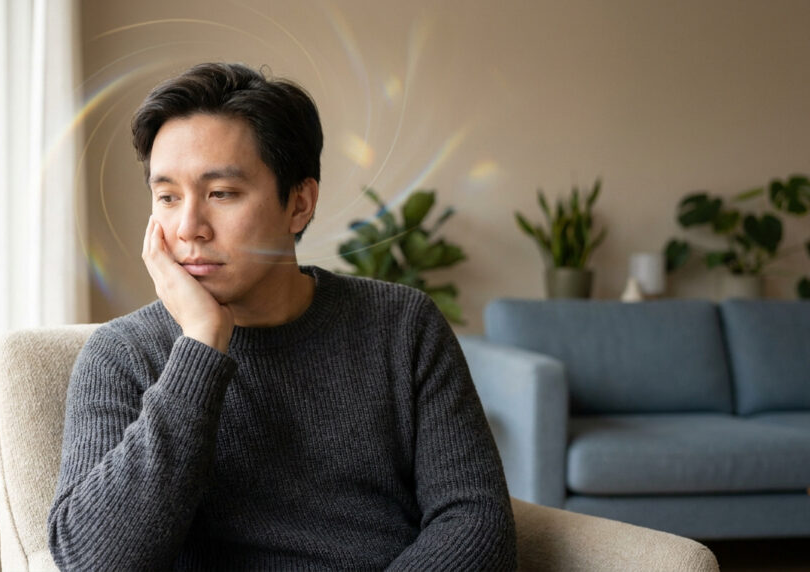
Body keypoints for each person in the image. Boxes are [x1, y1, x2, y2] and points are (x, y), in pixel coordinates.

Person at [47, 62, 516, 571]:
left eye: (221, 193)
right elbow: (93, 562)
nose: (189, 228)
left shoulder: (403, 326)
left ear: (299, 203)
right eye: (167, 197)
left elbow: (476, 521)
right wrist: (200, 348)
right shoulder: (122, 355)